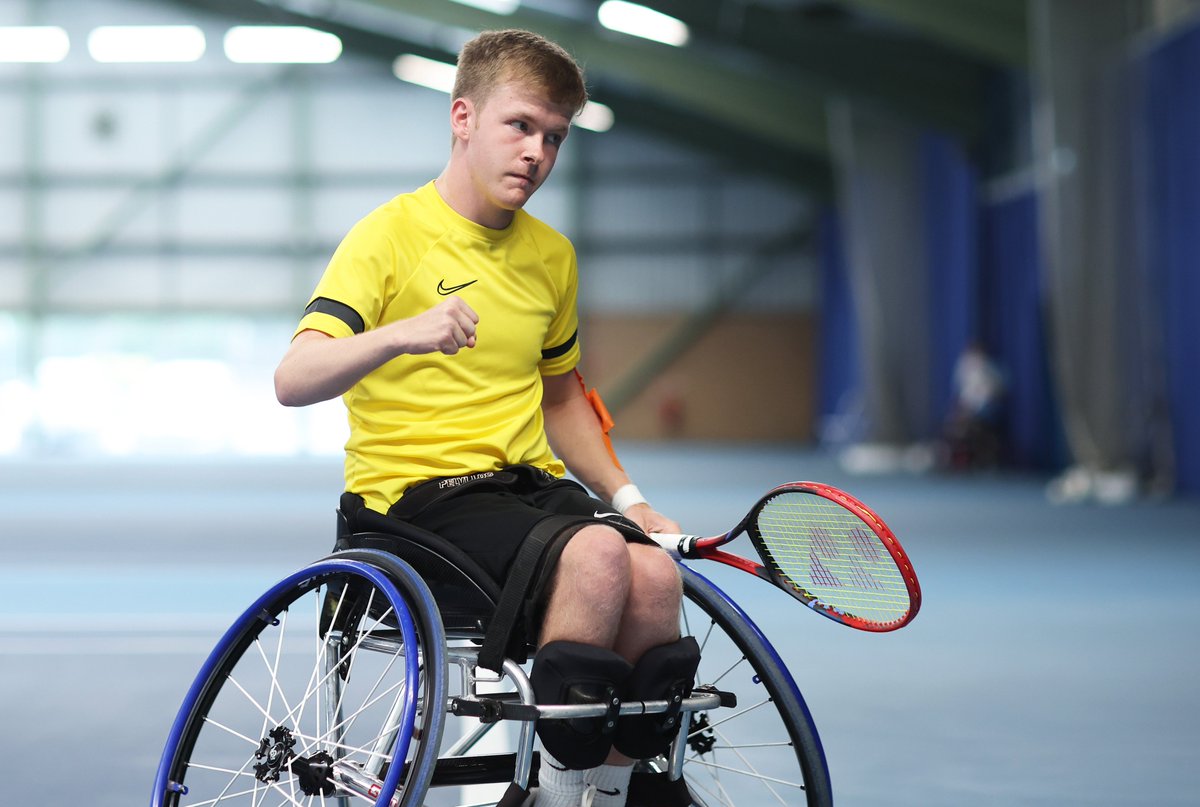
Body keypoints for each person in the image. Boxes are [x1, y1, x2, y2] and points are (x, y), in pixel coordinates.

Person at [274, 29, 690, 807]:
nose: (537, 152)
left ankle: (603, 791)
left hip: (527, 493)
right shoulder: (387, 236)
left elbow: (563, 397)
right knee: (600, 556)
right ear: (463, 118)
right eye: (520, 126)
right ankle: (560, 797)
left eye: (554, 137)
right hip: (413, 503)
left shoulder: (552, 257)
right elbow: (294, 379)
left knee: (655, 573)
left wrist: (631, 500)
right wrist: (402, 332)